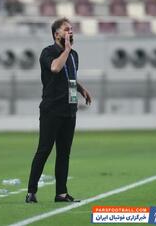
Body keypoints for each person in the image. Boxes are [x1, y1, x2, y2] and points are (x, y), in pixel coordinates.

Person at [25, 18, 92, 203]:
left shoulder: (74, 55)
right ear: (57, 34)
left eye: (72, 29)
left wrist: (81, 89)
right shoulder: (48, 53)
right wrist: (67, 49)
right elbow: (55, 68)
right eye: (66, 29)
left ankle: (61, 193)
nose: (70, 32)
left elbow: (69, 77)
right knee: (44, 150)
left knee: (64, 153)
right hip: (51, 110)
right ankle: (31, 191)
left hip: (69, 110)